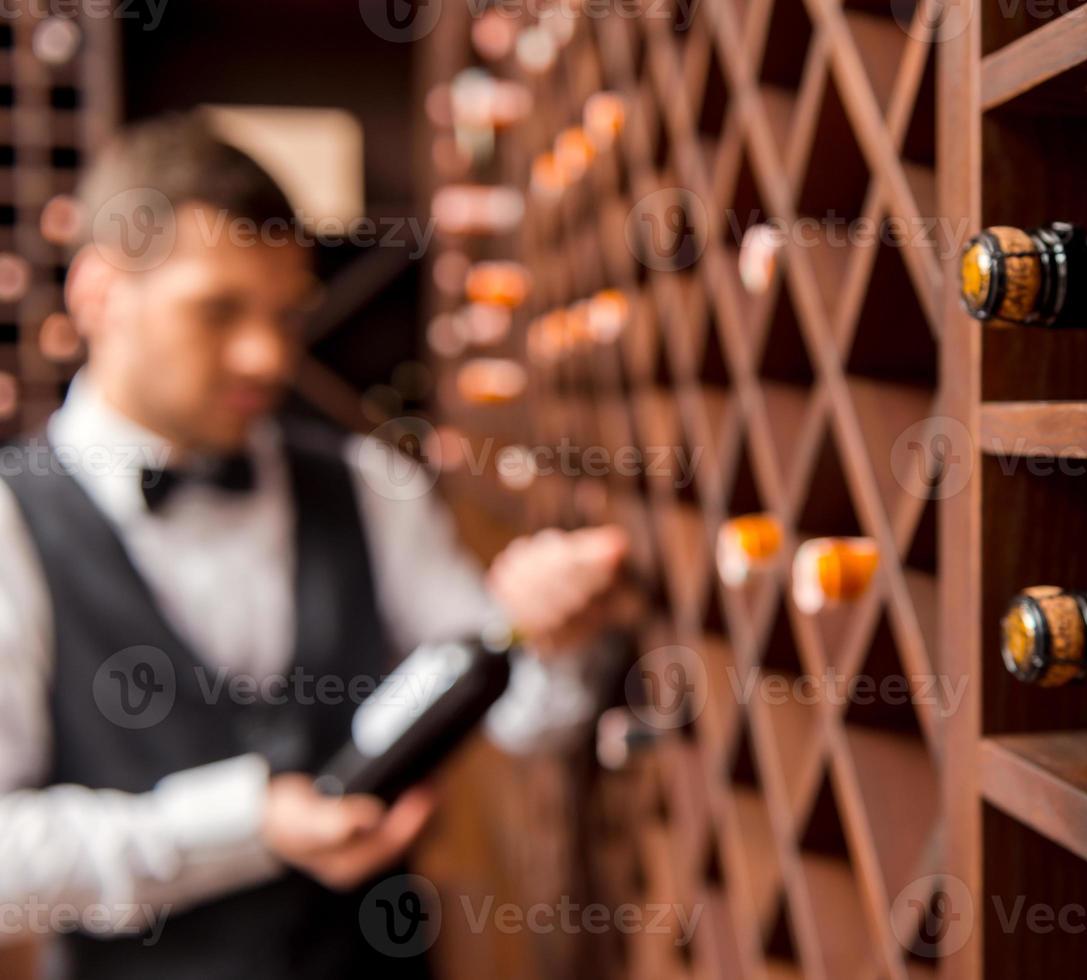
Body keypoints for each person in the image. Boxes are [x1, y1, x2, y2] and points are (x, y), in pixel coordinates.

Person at [0, 113, 627, 979]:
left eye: (284, 316)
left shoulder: (370, 484)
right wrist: (249, 826)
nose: (266, 356)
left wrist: (546, 640)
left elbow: (524, 720)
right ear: (99, 294)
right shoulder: (9, 526)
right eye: (218, 311)